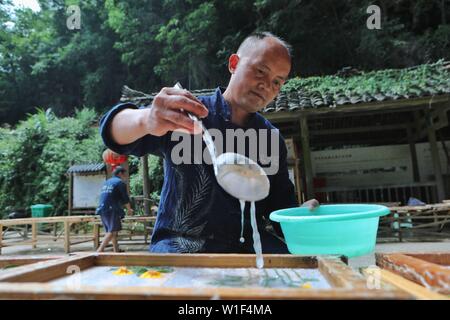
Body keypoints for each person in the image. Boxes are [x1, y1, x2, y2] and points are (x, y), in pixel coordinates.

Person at [99, 31, 318, 254]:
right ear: (234, 63)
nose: (266, 86)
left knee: (302, 273)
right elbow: (112, 132)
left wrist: (300, 216)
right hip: (180, 244)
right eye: (260, 71)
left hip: (249, 247)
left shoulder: (270, 139)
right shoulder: (188, 114)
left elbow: (280, 209)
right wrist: (145, 119)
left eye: (277, 82)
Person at [96, 166, 133, 252]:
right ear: (120, 174)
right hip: (111, 208)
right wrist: (129, 209)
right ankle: (99, 251)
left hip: (102, 208)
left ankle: (116, 250)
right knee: (112, 231)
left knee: (112, 231)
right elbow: (125, 198)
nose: (125, 176)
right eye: (124, 174)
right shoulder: (120, 182)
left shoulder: (107, 182)